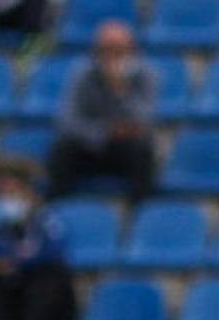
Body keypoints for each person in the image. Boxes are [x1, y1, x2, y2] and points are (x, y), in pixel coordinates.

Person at [0, 157, 77, 320]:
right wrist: (4, 261)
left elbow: (54, 250)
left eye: (11, 190)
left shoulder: (46, 217)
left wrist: (17, 262)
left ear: (26, 190)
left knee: (49, 274)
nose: (5, 196)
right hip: (14, 292)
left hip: (47, 298)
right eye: (2, 191)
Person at [48, 20, 156, 203]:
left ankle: (139, 214)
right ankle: (58, 206)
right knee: (62, 150)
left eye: (119, 50)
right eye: (107, 49)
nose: (112, 56)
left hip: (126, 149)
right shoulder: (81, 75)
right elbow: (67, 120)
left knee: (144, 152)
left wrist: (120, 90)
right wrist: (105, 132)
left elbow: (144, 120)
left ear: (131, 50)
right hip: (90, 145)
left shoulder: (145, 75)